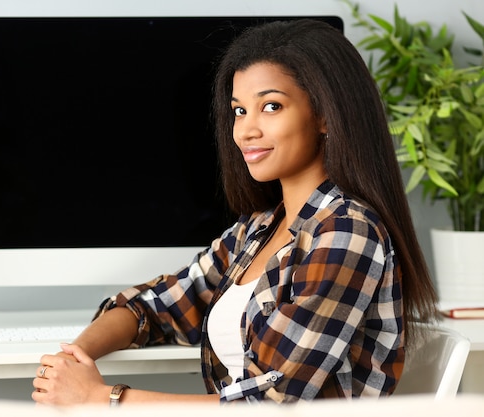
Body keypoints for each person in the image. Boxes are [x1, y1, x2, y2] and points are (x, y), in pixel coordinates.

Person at [31, 18, 438, 406]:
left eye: (272, 107)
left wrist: (101, 398)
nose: (245, 130)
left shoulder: (348, 233)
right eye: (239, 110)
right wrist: (75, 357)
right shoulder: (259, 229)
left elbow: (268, 403)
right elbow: (157, 306)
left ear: (326, 116)